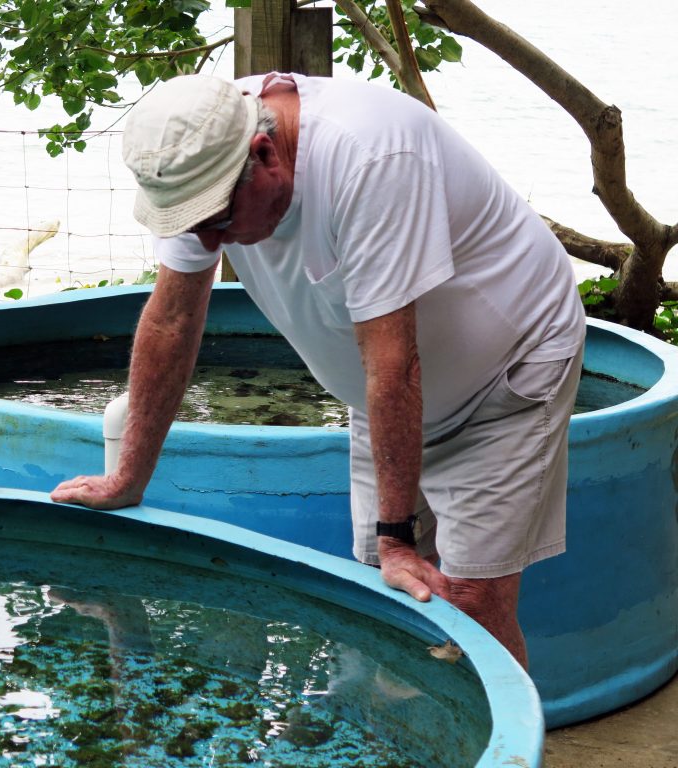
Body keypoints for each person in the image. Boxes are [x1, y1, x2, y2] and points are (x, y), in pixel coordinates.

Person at [51, 72, 586, 668]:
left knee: (472, 600)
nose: (205, 238)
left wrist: (396, 537)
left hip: (505, 368)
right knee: (389, 597)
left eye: (217, 220)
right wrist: (128, 477)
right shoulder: (200, 147)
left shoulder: (373, 157)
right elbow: (172, 319)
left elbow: (395, 364)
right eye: (189, 222)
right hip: (384, 389)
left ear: (264, 153)